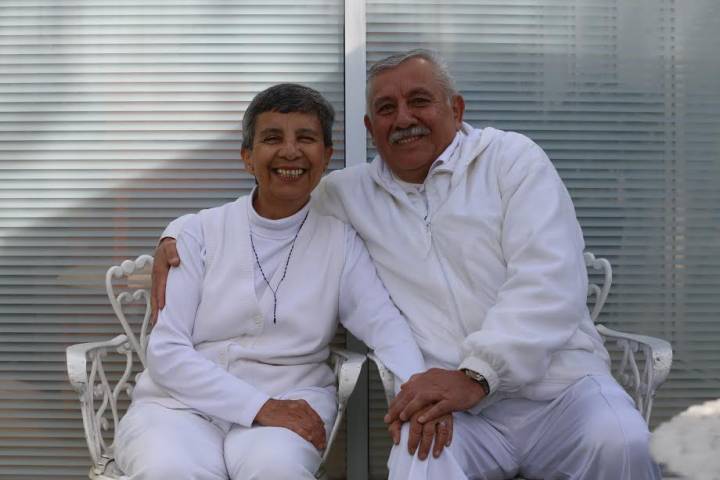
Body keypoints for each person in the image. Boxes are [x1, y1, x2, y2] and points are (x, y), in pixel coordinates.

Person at [154, 51, 661, 479]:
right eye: (386, 108)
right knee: (419, 463)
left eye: (419, 101)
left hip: (559, 390)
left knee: (621, 443)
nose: (403, 119)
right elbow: (275, 206)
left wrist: (477, 374)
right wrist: (176, 234)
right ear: (370, 128)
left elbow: (548, 282)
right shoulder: (346, 194)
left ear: (456, 109)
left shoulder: (512, 161)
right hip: (454, 409)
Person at [115, 83, 434, 480]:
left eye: (306, 138)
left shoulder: (340, 243)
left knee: (276, 469)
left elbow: (385, 326)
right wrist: (259, 406)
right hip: (179, 405)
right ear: (247, 157)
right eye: (272, 138)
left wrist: (422, 396)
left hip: (291, 400)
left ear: (326, 156)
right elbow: (166, 352)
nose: (290, 151)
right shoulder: (196, 234)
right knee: (169, 470)